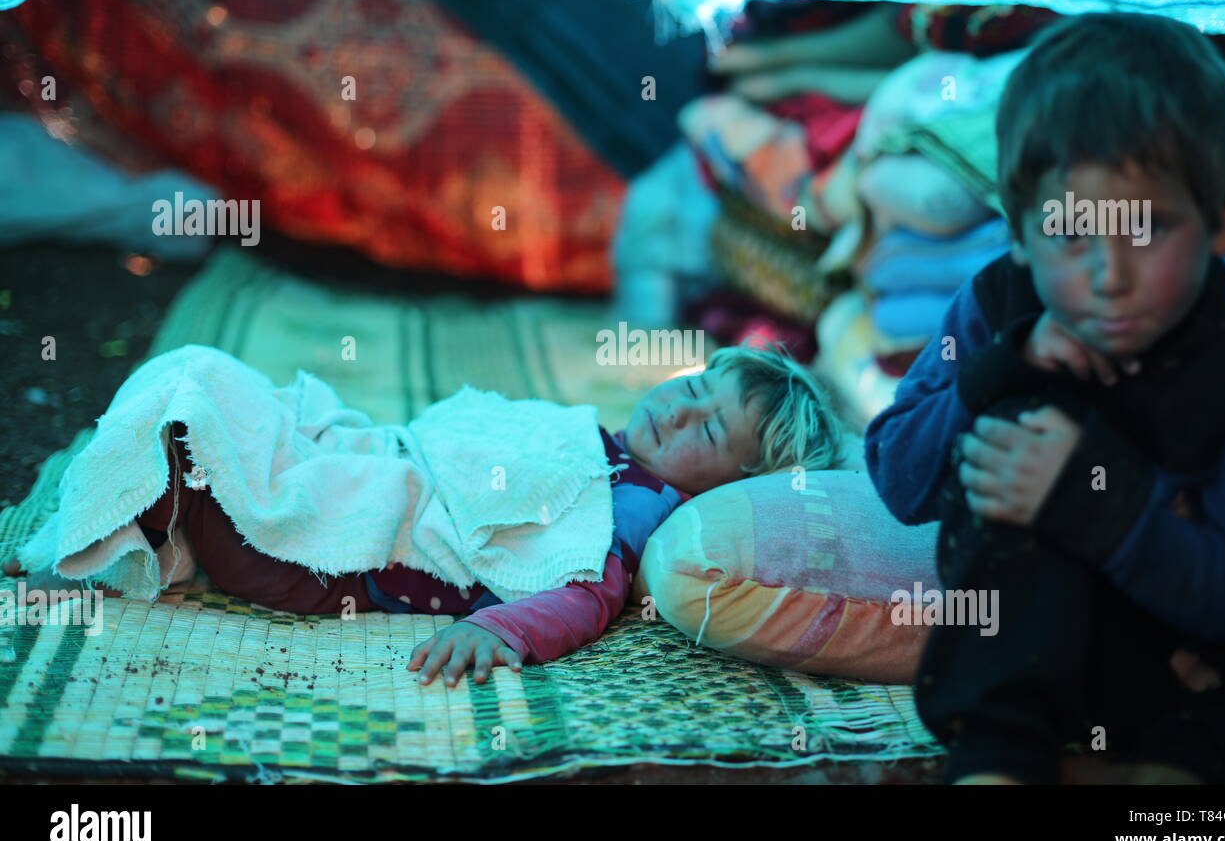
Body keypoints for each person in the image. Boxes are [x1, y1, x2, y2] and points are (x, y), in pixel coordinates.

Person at [863, 12, 1225, 784]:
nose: (1108, 276)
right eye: (1072, 233)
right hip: (1048, 650)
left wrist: (1102, 500)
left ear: (1223, 218)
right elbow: (899, 478)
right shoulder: (1000, 303)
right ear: (1019, 228)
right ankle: (999, 763)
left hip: (1205, 658)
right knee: (1014, 424)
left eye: (1149, 230)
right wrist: (1001, 369)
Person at [6, 343, 841, 690]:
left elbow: (582, 587)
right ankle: (131, 531)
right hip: (363, 474)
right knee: (221, 397)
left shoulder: (633, 506)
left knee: (193, 403)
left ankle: (86, 550)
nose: (681, 412)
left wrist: (503, 631)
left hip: (322, 560)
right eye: (693, 388)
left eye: (711, 431)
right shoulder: (598, 440)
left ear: (726, 486)